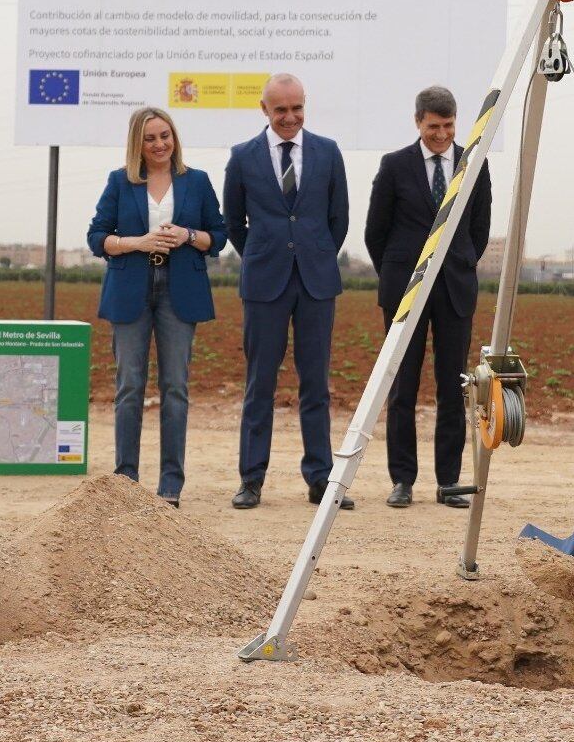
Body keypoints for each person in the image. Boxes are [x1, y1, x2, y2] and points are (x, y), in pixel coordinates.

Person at [222, 73, 353, 510]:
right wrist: (264, 255)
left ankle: (320, 478)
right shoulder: (242, 157)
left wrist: (311, 256)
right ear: (264, 110)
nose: (290, 117)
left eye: (297, 108)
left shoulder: (328, 152)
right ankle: (251, 479)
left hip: (316, 284)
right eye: (281, 110)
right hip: (265, 285)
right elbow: (233, 222)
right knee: (259, 383)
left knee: (315, 384)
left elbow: (339, 220)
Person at [87, 107, 227, 509]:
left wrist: (187, 234)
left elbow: (217, 237)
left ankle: (171, 484)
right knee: (129, 386)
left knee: (175, 388)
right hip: (130, 288)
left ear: (174, 138)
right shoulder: (119, 181)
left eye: (165, 135)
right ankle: (126, 480)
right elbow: (97, 237)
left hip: (179, 291)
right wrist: (138, 242)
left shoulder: (196, 181)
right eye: (150, 138)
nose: (160, 144)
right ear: (138, 143)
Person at [365, 85, 492, 509]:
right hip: (405, 291)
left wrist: (462, 262)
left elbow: (479, 228)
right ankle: (402, 480)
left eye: (449, 126)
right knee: (403, 388)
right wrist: (399, 276)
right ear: (418, 122)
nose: (441, 134)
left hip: (455, 290)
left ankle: (449, 482)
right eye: (433, 126)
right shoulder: (394, 165)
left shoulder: (474, 162)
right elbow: (375, 233)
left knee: (452, 387)